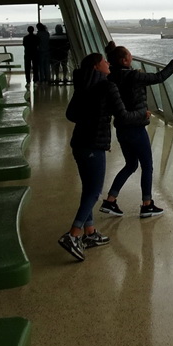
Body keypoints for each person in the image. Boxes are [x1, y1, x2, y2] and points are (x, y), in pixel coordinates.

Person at [99, 46, 173, 219]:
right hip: (136, 128)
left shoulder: (111, 76)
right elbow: (159, 77)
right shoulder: (134, 76)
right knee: (147, 165)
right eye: (129, 56)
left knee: (131, 165)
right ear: (124, 60)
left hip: (122, 128)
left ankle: (110, 200)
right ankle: (147, 205)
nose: (132, 58)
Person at [57, 53, 129, 261]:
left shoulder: (83, 85)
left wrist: (88, 116)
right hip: (93, 145)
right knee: (95, 190)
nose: (108, 63)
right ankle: (73, 235)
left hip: (79, 143)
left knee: (88, 189)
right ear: (97, 67)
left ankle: (90, 233)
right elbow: (122, 115)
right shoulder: (107, 87)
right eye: (104, 61)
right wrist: (142, 116)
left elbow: (71, 115)